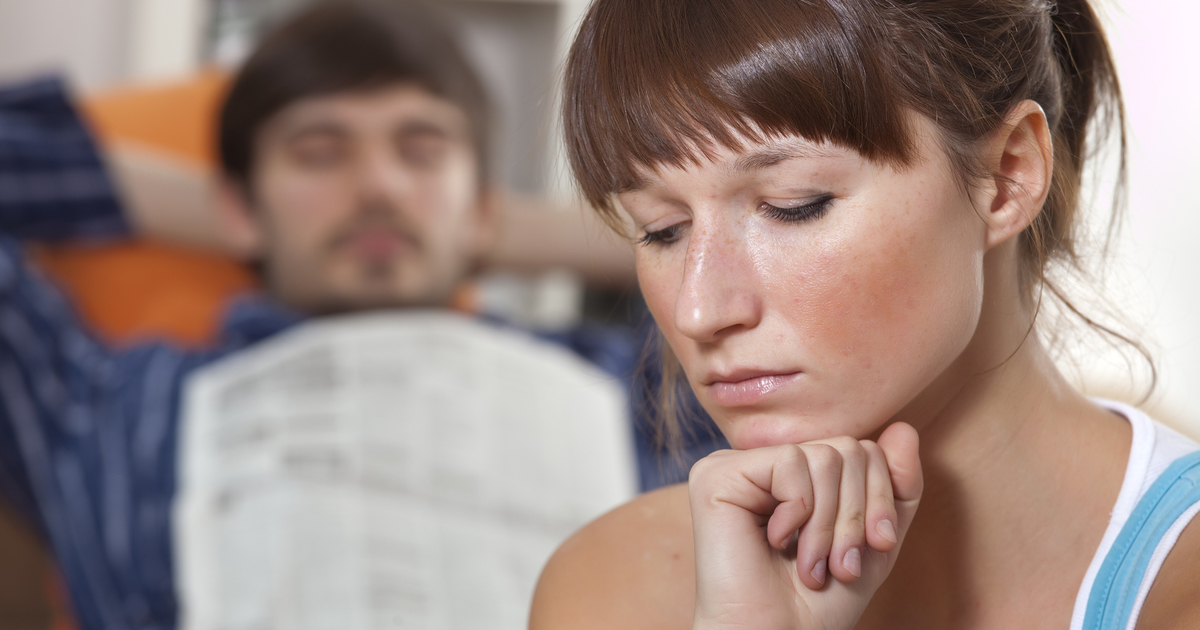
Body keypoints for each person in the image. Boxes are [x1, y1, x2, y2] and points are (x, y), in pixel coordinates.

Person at [0, 1, 725, 628]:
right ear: (238, 207)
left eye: (421, 150)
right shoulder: (106, 405)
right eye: (320, 153)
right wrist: (232, 218)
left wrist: (641, 225)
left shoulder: (634, 386)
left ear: (484, 208)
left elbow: (760, 210)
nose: (379, 185)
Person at [530, 0, 1200, 628]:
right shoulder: (614, 589)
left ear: (1007, 178)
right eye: (661, 229)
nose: (698, 310)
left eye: (794, 205)